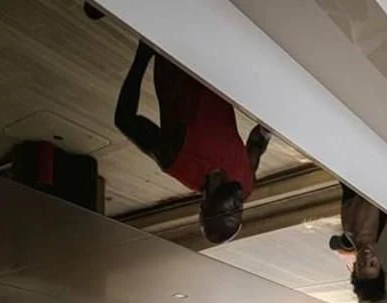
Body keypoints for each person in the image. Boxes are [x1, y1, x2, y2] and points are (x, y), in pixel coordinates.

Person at [115, 41, 271, 244]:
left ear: (205, 206)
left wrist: (143, 54)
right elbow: (257, 144)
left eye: (228, 211)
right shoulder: (245, 185)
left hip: (176, 51)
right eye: (239, 210)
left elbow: (125, 120)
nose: (237, 204)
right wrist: (270, 127)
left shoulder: (178, 160)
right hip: (213, 57)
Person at [328, 184, 387, 302]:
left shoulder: (355, 227)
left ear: (355, 265)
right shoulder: (376, 234)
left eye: (361, 264)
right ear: (380, 264)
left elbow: (373, 186)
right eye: (372, 264)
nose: (367, 256)